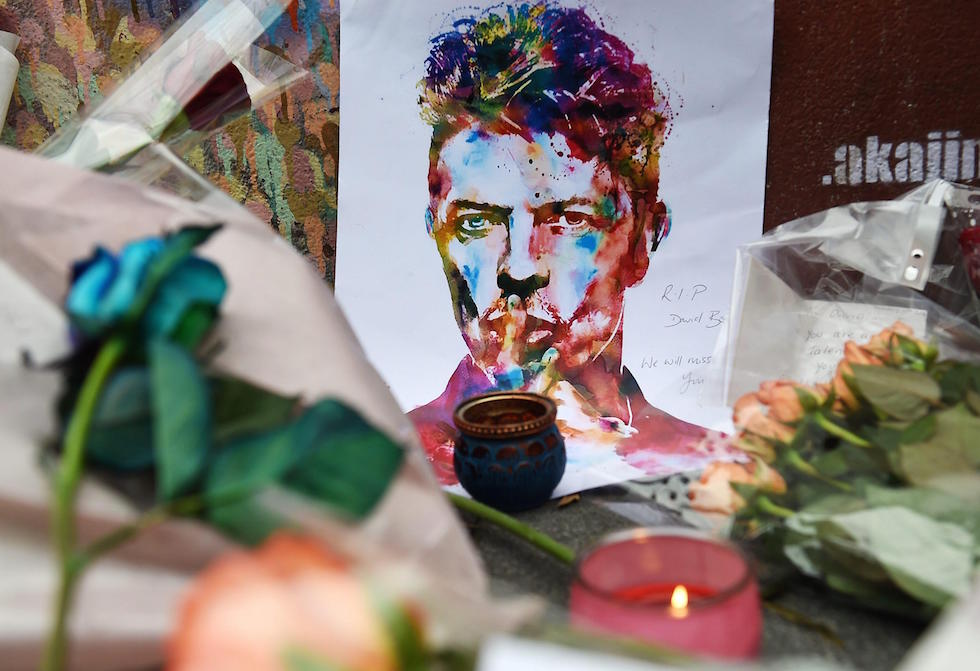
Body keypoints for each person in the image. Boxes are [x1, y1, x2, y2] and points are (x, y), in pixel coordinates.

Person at [411, 3, 729, 485]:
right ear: (437, 233)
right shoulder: (375, 465)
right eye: (477, 223)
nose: (520, 269)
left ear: (643, 240)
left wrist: (610, 458)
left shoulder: (719, 470)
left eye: (568, 221)